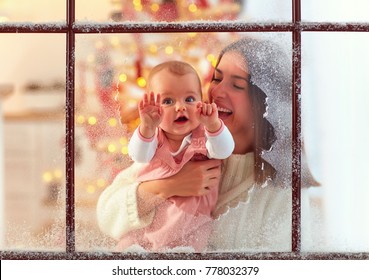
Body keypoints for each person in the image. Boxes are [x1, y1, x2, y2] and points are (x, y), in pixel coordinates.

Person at [97, 37, 318, 252]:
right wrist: (167, 186)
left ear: (265, 102)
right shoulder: (184, 147)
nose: (216, 92)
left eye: (237, 85)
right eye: (217, 78)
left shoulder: (283, 191)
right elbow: (106, 215)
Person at [114, 61, 234, 251]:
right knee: (127, 246)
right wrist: (146, 127)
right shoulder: (154, 135)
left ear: (201, 102)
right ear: (154, 106)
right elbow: (140, 156)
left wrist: (213, 125)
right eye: (168, 101)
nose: (180, 107)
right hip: (150, 219)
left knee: (187, 252)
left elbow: (224, 150)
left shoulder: (204, 134)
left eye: (189, 99)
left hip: (190, 223)